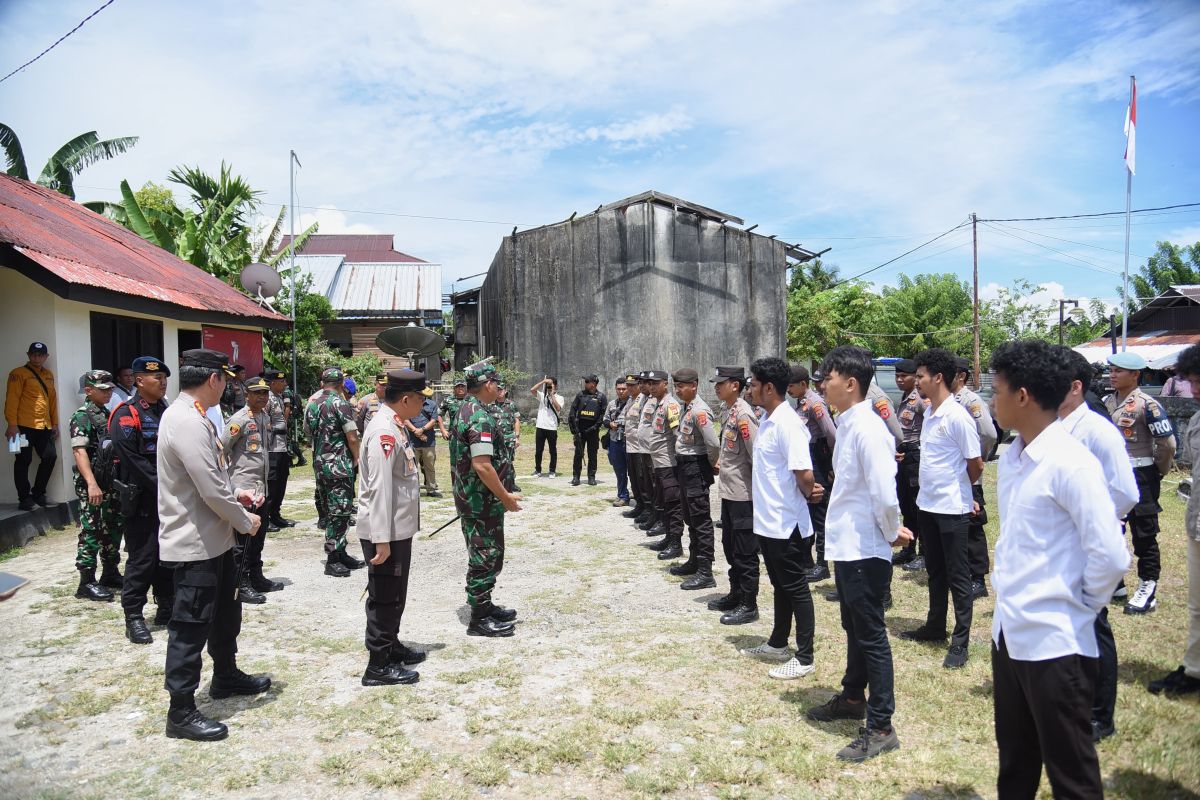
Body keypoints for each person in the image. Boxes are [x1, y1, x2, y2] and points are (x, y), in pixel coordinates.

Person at [988, 339, 1129, 798]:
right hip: (1009, 633)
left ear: (1023, 396)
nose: (992, 399)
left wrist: (1079, 604)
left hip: (1056, 642)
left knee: (1071, 775)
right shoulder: (1014, 458)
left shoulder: (1071, 462)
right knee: (1016, 763)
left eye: (998, 390)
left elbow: (1109, 554)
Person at [806, 346, 913, 762]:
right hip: (849, 545)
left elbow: (885, 492)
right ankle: (853, 697)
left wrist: (890, 531)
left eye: (827, 378)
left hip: (866, 547)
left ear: (850, 383)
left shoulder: (868, 428)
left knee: (870, 635)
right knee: (854, 626)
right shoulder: (849, 423)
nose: (822, 384)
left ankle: (882, 724)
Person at [158, 348, 269, 742]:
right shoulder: (186, 421)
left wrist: (236, 494)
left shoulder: (199, 418)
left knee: (225, 611)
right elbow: (208, 489)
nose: (226, 385)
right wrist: (245, 520)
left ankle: (225, 674)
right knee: (190, 625)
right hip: (195, 542)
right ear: (213, 380)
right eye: (225, 378)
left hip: (215, 537)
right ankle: (181, 711)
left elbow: (216, 479)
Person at [1057, 346, 1139, 742]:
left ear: (1074, 387)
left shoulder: (1098, 431)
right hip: (1057, 545)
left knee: (1093, 623)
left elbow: (1125, 492)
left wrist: (1093, 524)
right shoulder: (1051, 426)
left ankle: (1099, 715)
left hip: (1086, 542)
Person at [900, 348, 983, 670]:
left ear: (937, 378)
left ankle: (960, 641)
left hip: (952, 508)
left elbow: (975, 465)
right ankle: (935, 626)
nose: (917, 381)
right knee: (934, 569)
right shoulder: (931, 413)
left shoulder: (957, 416)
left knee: (958, 575)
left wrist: (963, 491)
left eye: (921, 376)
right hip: (927, 506)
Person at [741, 357, 822, 680]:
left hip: (787, 522)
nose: (751, 389)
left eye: (754, 385)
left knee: (795, 587)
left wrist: (809, 492)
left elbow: (804, 473)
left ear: (769, 388)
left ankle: (804, 656)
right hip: (769, 520)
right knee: (779, 585)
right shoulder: (769, 418)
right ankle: (778, 642)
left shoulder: (788, 424)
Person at [357, 369, 430, 687]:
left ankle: (392, 645)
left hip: (396, 529)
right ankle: (378, 665)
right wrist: (381, 539)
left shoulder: (394, 425)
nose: (423, 406)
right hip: (384, 531)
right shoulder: (384, 431)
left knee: (395, 593)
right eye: (420, 400)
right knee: (385, 595)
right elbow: (380, 488)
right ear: (405, 399)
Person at [450, 361, 522, 637]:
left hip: (478, 499)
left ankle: (485, 604)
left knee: (488, 553)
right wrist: (504, 496)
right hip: (480, 501)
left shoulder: (468, 409)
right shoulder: (477, 415)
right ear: (488, 384)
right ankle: (478, 619)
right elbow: (482, 465)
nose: (499, 387)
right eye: (497, 383)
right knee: (485, 555)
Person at [1146, 343, 1200, 697]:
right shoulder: (1196, 418)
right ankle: (1194, 669)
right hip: (1198, 521)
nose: (1194, 389)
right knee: (1197, 603)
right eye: (1192, 381)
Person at [1104, 351, 1176, 615]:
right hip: (1113, 476)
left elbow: (1167, 444)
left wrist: (1159, 470)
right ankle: (1116, 584)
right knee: (1111, 530)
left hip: (1141, 475)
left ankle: (1148, 586)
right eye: (1111, 370)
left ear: (1135, 375)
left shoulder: (1148, 405)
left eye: (1118, 371)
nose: (1113, 375)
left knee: (1144, 534)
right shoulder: (1107, 402)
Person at [110, 356, 175, 644]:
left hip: (166, 497)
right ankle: (134, 616)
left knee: (167, 556)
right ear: (138, 380)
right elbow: (133, 460)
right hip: (141, 499)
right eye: (156, 377)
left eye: (164, 377)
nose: (162, 382)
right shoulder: (126, 413)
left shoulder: (166, 410)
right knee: (142, 558)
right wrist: (164, 487)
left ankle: (166, 606)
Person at [710, 367, 762, 623]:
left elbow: (757, 456)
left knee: (744, 552)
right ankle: (736, 593)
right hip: (730, 492)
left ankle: (749, 604)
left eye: (721, 383)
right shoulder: (728, 411)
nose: (716, 387)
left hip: (744, 495)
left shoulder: (744, 415)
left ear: (735, 385)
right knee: (729, 547)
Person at [69, 370, 122, 602]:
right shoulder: (82, 416)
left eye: (110, 388)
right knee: (92, 529)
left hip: (108, 482)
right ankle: (86, 581)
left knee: (112, 527)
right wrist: (91, 484)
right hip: (93, 483)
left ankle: (110, 572)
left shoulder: (106, 414)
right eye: (103, 389)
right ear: (89, 391)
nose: (109, 392)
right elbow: (79, 452)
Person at [306, 367, 364, 578]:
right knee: (340, 512)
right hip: (339, 466)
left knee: (332, 510)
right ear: (341, 385)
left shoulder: (312, 404)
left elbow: (307, 433)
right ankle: (333, 559)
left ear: (322, 383)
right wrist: (357, 459)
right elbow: (352, 436)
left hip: (321, 464)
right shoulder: (341, 404)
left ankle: (340, 552)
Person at [221, 377, 274, 605]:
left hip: (261, 488)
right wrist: (230, 485)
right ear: (247, 395)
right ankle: (240, 584)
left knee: (259, 536)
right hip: (244, 489)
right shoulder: (238, 420)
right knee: (243, 540)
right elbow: (222, 449)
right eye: (257, 393)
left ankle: (256, 575)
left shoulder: (264, 417)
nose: (262, 397)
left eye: (265, 393)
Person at [669, 368, 720, 590]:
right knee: (690, 517)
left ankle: (706, 571)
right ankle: (694, 560)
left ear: (694, 385)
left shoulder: (700, 411)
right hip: (685, 466)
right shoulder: (686, 408)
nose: (678, 390)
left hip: (695, 467)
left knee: (700, 520)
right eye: (676, 386)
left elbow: (713, 444)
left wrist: (710, 464)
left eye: (682, 386)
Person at [952, 358, 998, 600]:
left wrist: (977, 459)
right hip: (955, 474)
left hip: (970, 473)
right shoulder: (949, 401)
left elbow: (989, 434)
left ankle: (978, 579)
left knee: (973, 527)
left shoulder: (970, 401)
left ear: (961, 376)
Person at [789, 365, 837, 583]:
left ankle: (822, 564)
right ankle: (807, 560)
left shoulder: (815, 403)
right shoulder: (801, 403)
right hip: (807, 457)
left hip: (818, 458)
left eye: (791, 385)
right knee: (806, 510)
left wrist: (832, 466)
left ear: (803, 384)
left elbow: (830, 433)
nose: (788, 389)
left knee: (819, 513)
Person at [6, 341, 59, 511]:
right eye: (34, 355)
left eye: (41, 355)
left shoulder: (49, 375)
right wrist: (12, 425)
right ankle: (24, 499)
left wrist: (55, 423)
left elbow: (52, 401)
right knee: (23, 460)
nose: (37, 358)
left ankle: (38, 494)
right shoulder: (17, 373)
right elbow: (11, 400)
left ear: (46, 356)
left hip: (44, 426)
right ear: (28, 355)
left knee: (50, 456)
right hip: (22, 426)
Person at [643, 370, 685, 560]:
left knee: (673, 504)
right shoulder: (658, 404)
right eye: (650, 383)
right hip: (659, 462)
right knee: (663, 502)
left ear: (665, 384)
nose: (651, 386)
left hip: (669, 462)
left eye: (655, 383)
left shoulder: (671, 405)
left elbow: (678, 435)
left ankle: (676, 543)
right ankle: (668, 537)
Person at [892, 359, 927, 570]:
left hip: (915, 455)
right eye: (897, 376)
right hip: (902, 456)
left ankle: (924, 553)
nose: (899, 379)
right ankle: (908, 548)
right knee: (905, 504)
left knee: (917, 505)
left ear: (915, 376)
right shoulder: (904, 398)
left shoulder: (921, 399)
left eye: (904, 376)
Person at [263, 369, 295, 532]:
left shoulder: (279, 397)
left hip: (281, 445)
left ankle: (276, 514)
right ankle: (266, 518)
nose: (284, 384)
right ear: (273, 383)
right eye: (281, 382)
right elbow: (264, 422)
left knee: (282, 480)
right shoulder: (267, 399)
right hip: (272, 447)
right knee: (272, 483)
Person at [401, 384, 444, 498]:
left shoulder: (432, 404)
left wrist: (422, 430)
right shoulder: (409, 403)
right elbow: (405, 419)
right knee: (412, 466)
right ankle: (413, 488)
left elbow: (434, 420)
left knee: (430, 465)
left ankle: (431, 488)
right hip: (412, 441)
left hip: (428, 442)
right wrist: (417, 431)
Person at [568, 374, 607, 486]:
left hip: (593, 431)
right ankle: (576, 477)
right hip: (580, 430)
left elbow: (603, 415)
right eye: (585, 381)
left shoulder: (601, 397)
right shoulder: (580, 395)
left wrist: (595, 427)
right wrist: (574, 429)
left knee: (592, 454)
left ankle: (591, 477)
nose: (585, 383)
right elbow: (572, 411)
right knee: (578, 454)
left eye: (587, 381)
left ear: (593, 384)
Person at [623, 373, 651, 523]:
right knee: (633, 479)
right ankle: (640, 505)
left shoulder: (644, 400)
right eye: (629, 385)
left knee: (642, 480)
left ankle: (648, 509)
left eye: (633, 385)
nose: (630, 388)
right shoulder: (630, 400)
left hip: (640, 447)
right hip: (630, 446)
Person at [603, 375, 634, 507]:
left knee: (634, 471)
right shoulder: (611, 404)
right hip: (615, 440)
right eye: (618, 389)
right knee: (619, 470)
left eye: (624, 389)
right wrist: (610, 424)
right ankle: (623, 495)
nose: (621, 391)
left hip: (630, 441)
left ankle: (639, 495)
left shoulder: (634, 403)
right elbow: (604, 420)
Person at [530, 376, 563, 477]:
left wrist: (552, 394)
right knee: (539, 450)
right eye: (547, 386)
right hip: (540, 426)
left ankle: (552, 471)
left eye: (550, 386)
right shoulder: (542, 395)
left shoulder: (560, 398)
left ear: (555, 386)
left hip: (551, 427)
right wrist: (543, 381)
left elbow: (558, 408)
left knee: (552, 450)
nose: (548, 387)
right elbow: (532, 390)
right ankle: (538, 470)